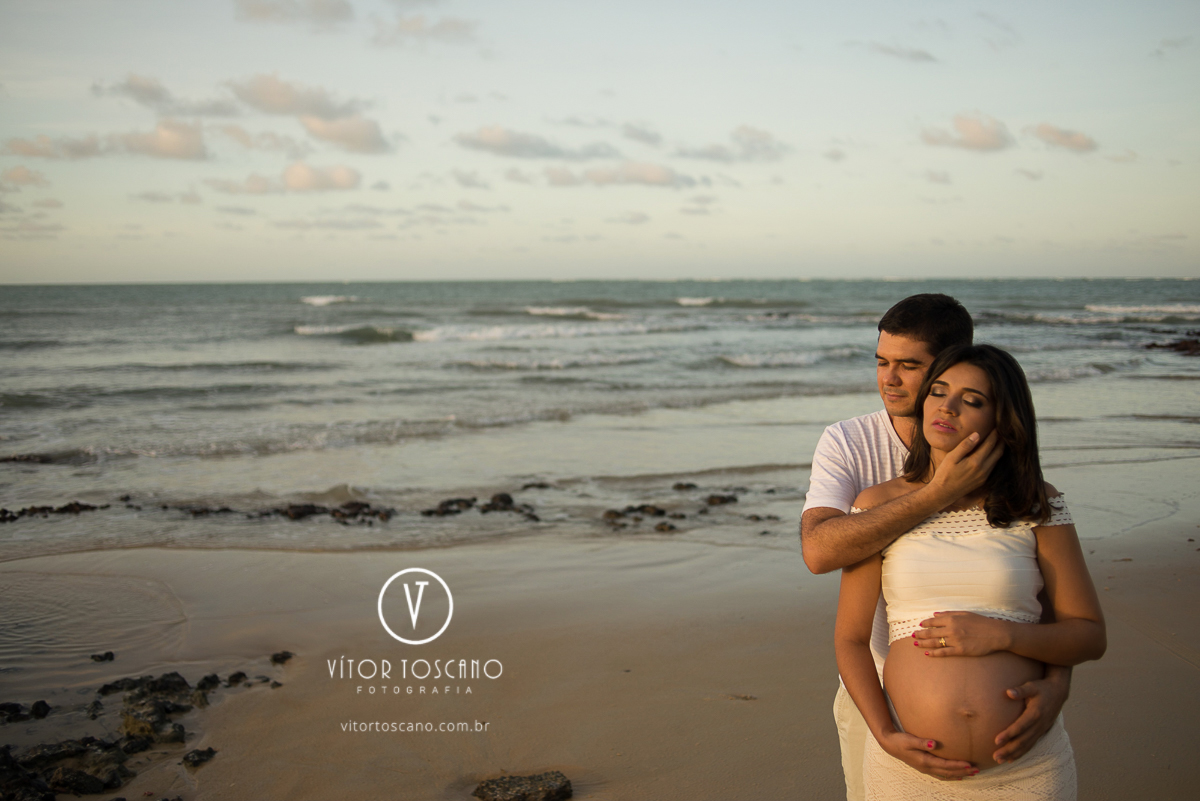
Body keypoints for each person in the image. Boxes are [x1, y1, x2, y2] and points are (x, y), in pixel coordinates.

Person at [801, 294, 1072, 799]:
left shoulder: (999, 459)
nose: (889, 379)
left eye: (908, 366)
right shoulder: (848, 442)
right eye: (881, 362)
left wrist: (1059, 681)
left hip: (1018, 739)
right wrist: (936, 494)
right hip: (880, 693)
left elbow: (1048, 603)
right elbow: (819, 552)